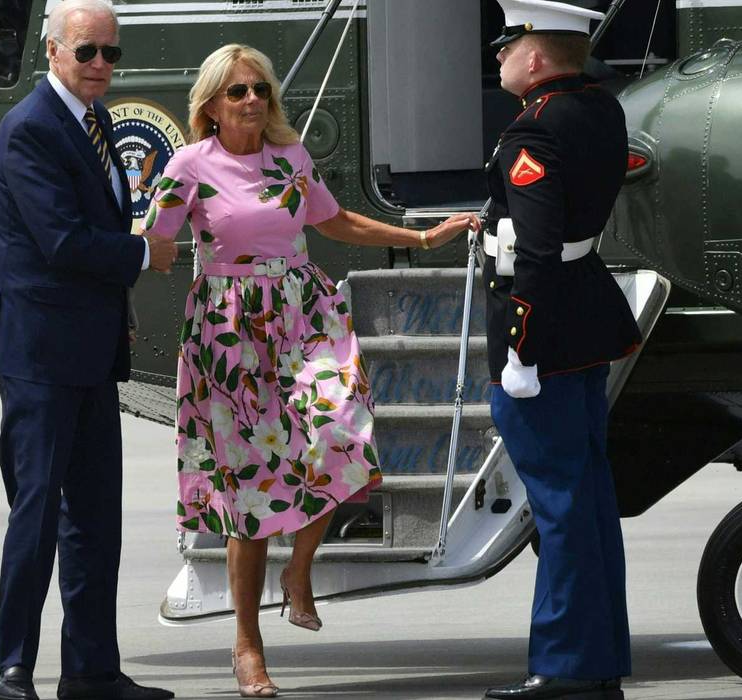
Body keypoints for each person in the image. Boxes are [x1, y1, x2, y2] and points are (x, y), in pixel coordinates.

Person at [142, 44, 477, 698]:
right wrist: (144, 250)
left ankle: (300, 569)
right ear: (210, 104)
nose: (250, 101)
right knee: (248, 496)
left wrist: (423, 238)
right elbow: (156, 242)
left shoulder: (290, 160)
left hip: (302, 315)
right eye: (236, 92)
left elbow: (335, 220)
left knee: (343, 438)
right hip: (230, 333)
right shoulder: (188, 165)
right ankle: (247, 646)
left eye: (259, 90)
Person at [0, 1, 178, 699]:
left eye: (111, 54)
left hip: (88, 349)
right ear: (51, 50)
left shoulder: (96, 124)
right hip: (37, 352)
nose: (100, 67)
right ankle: (13, 667)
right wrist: (146, 252)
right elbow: (60, 241)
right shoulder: (30, 129)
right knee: (37, 509)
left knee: (94, 516)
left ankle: (91, 670)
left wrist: (117, 314)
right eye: (87, 52)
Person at [444, 1, 644, 698]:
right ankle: (595, 664)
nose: (496, 57)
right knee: (586, 506)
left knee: (560, 509)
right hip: (585, 322)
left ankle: (565, 669)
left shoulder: (534, 129)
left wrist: (517, 352)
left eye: (505, 46)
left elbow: (531, 253)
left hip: (544, 341)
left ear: (533, 55)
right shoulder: (599, 109)